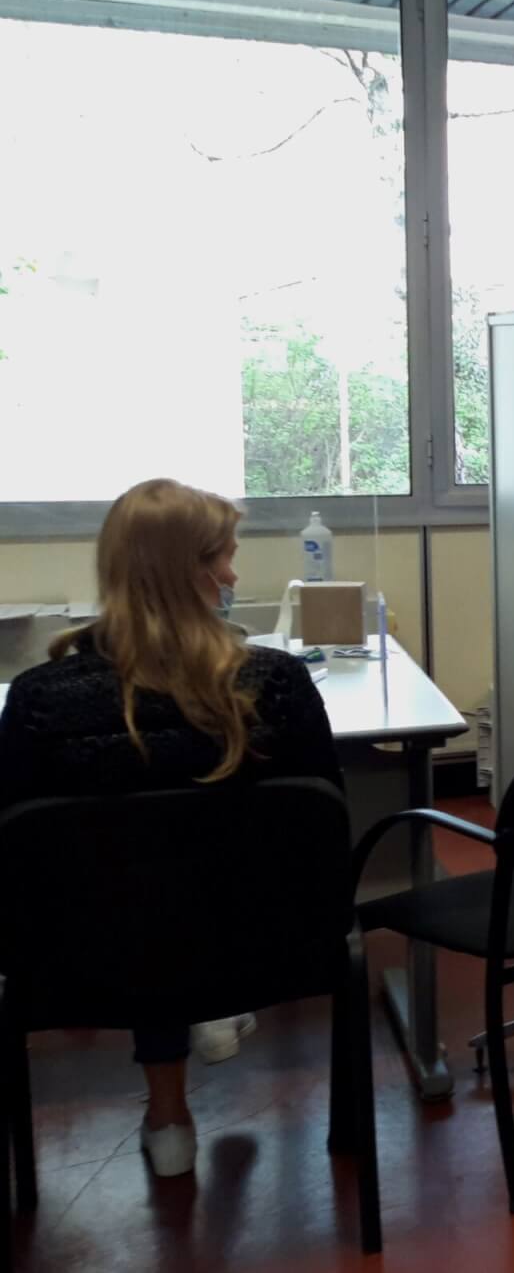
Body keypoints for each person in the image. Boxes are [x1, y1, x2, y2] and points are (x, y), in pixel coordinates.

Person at [0, 479, 342, 1179]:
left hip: (84, 961)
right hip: (261, 945)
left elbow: (19, 855)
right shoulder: (273, 685)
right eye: (224, 557)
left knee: (136, 891)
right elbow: (323, 832)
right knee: (185, 887)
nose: (234, 575)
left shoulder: (39, 699)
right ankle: (215, 1013)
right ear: (188, 570)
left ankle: (167, 1114)